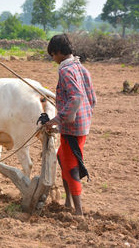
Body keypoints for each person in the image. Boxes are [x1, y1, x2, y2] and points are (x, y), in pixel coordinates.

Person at [42, 34, 96, 216]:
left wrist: (57, 120)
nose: (53, 59)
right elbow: (91, 98)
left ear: (58, 52)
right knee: (62, 157)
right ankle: (67, 202)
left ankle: (78, 212)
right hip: (83, 125)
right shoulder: (80, 67)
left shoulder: (65, 71)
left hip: (72, 128)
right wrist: (84, 116)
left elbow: (76, 97)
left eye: (53, 55)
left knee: (71, 166)